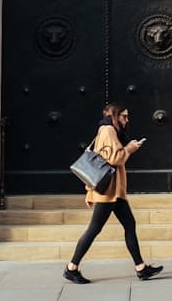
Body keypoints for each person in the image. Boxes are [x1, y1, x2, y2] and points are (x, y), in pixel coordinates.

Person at [63, 103, 164, 284]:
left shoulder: (108, 130)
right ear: (115, 116)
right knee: (94, 229)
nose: (127, 119)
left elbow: (97, 159)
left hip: (113, 192)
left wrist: (89, 192)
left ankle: (141, 268)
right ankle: (72, 267)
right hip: (108, 192)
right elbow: (114, 158)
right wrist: (130, 148)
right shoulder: (108, 130)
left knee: (129, 224)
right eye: (124, 116)